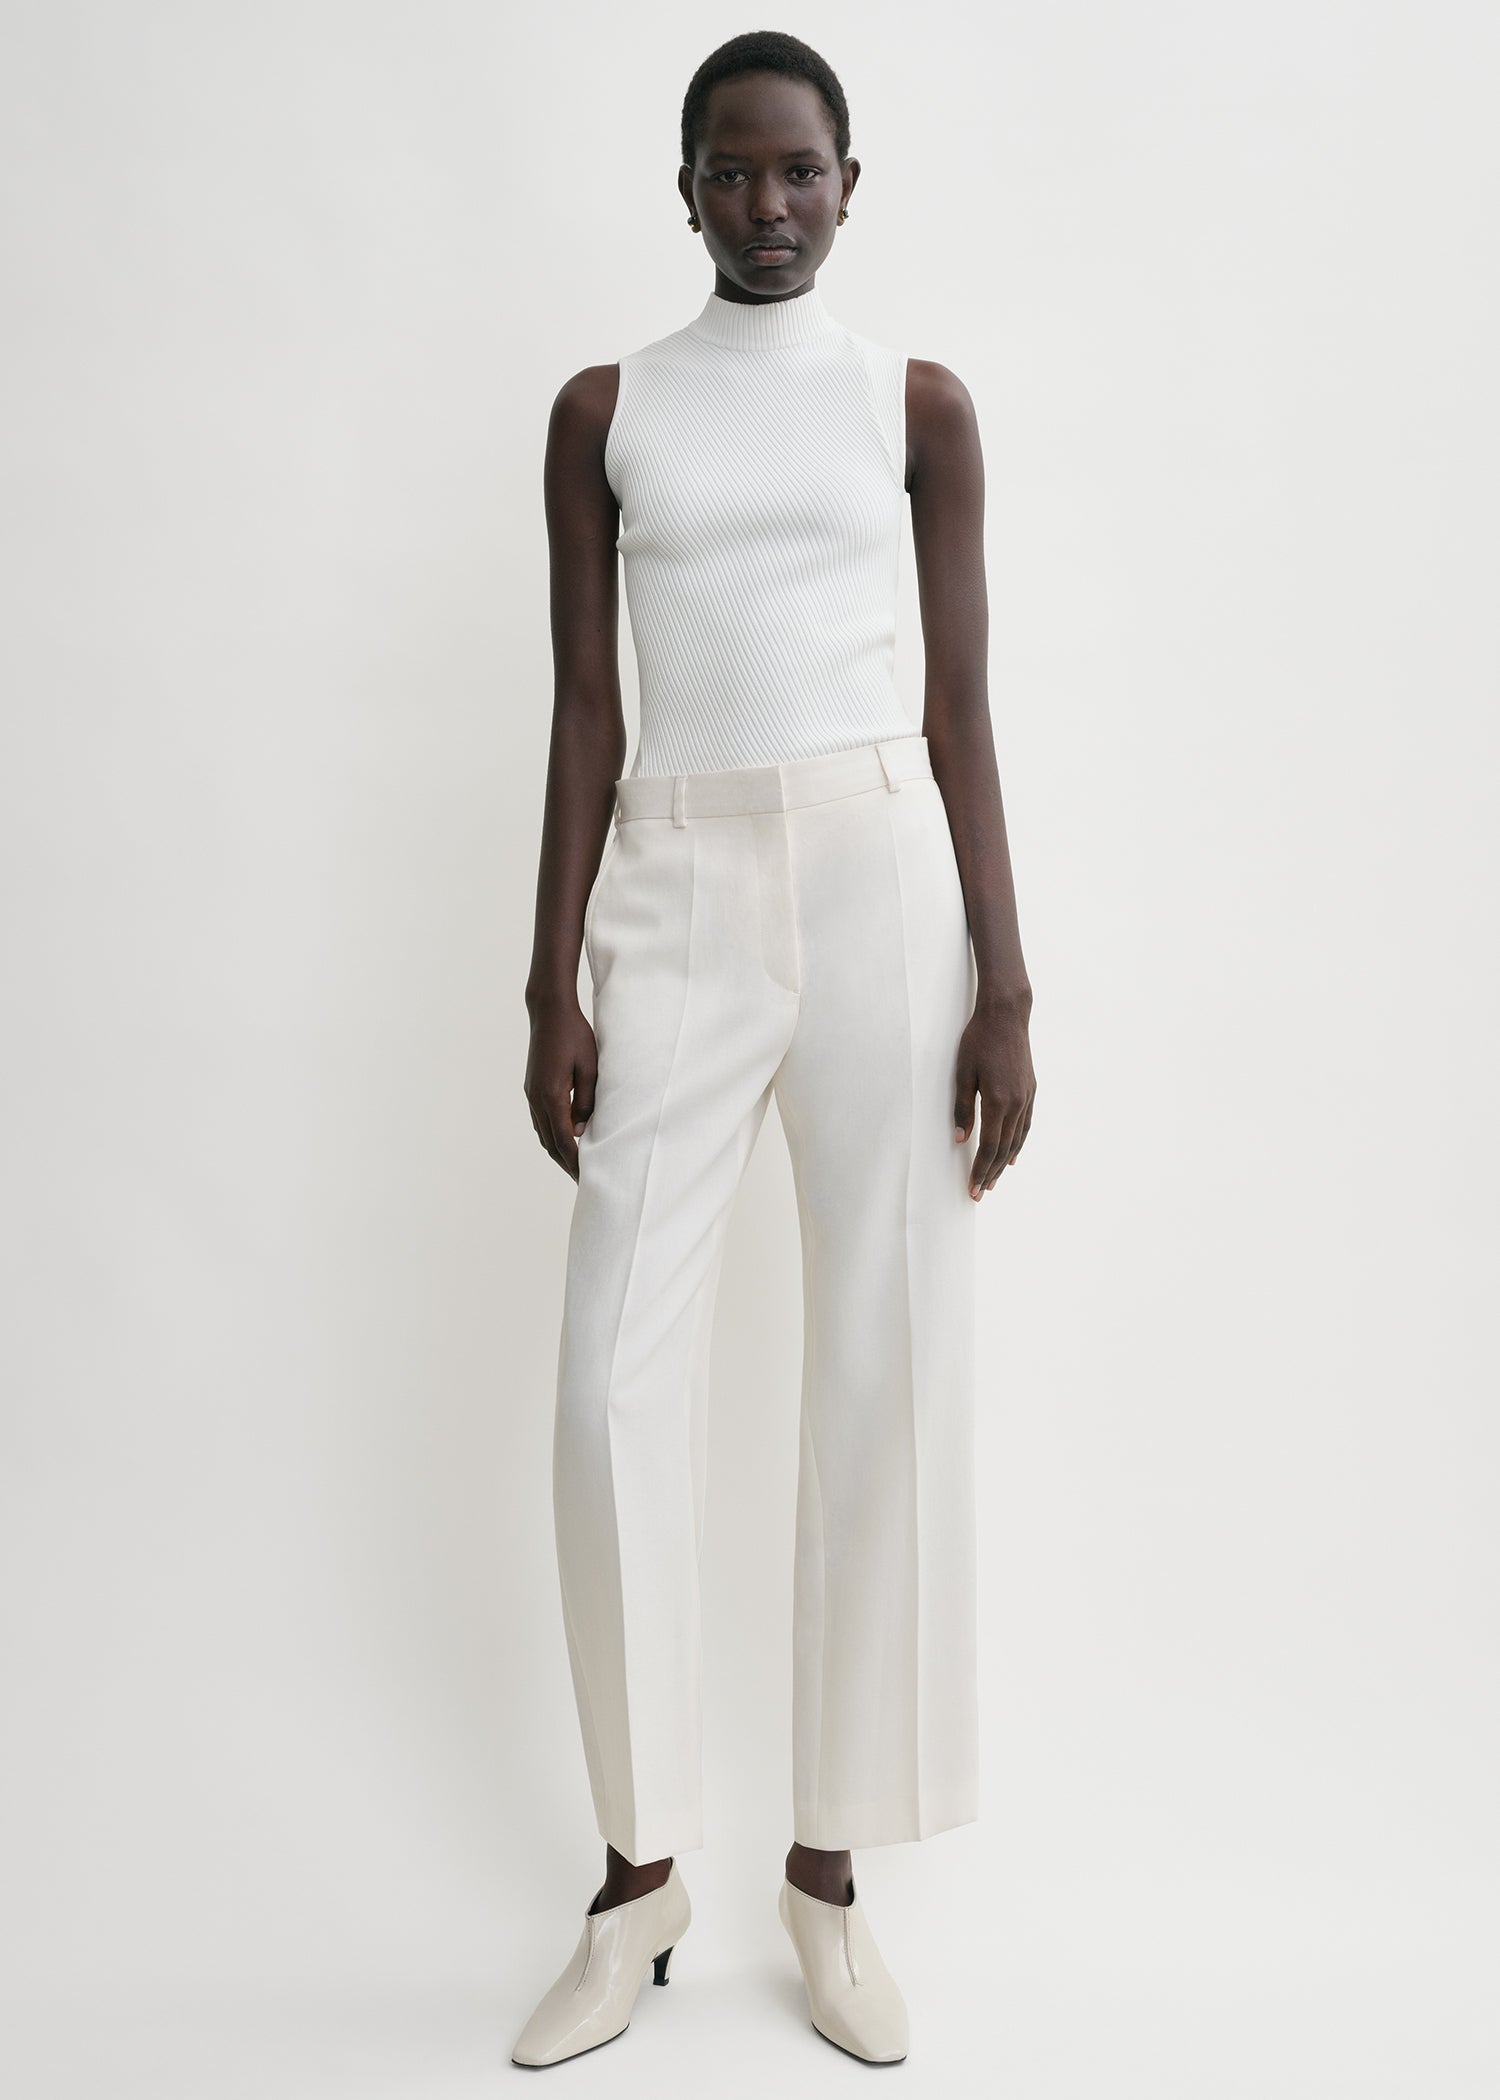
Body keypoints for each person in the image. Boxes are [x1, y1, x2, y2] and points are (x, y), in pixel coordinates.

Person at [516, 29, 1035, 2069]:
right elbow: (586, 709)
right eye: (730, 172)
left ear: (848, 181)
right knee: (606, 1379)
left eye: (798, 169)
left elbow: (965, 703)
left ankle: (827, 1876)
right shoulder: (608, 412)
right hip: (675, 883)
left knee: (886, 1363)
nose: (766, 204)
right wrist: (548, 978)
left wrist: (1008, 981)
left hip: (885, 879)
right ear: (684, 188)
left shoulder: (916, 408)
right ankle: (638, 1882)